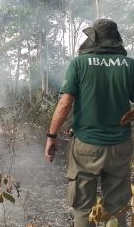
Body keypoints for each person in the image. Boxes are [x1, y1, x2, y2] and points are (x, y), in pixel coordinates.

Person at [45, 19, 134, 226]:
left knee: (83, 207)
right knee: (117, 207)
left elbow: (65, 104)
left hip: (86, 146)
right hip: (120, 147)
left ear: (94, 38)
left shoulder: (79, 64)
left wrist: (51, 137)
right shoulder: (129, 65)